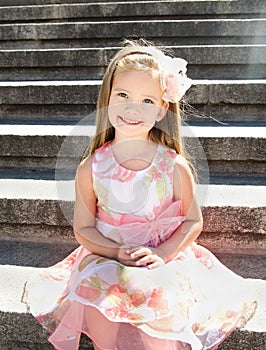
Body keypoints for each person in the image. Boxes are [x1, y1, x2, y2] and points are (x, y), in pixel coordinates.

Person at [23, 40, 257, 350]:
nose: (133, 108)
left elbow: (191, 222)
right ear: (108, 99)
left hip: (160, 255)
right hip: (107, 253)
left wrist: (163, 253)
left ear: (162, 109)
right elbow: (83, 228)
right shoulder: (91, 167)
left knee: (162, 296)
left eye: (147, 100)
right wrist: (116, 252)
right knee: (98, 285)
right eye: (123, 96)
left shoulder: (172, 165)